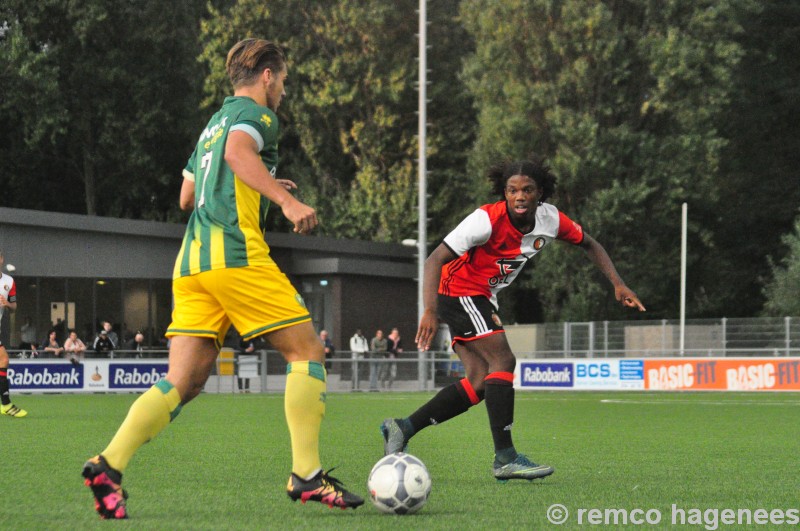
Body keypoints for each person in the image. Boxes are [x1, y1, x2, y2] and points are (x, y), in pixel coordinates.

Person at [81, 38, 363, 520]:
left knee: (184, 380)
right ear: (268, 76)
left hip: (191, 265)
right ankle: (307, 476)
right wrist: (285, 201)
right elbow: (238, 155)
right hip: (234, 257)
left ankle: (108, 465)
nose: (284, 93)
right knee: (307, 351)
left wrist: (261, 181)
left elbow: (188, 197)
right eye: (285, 82)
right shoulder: (259, 117)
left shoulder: (211, 124)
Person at [381, 156, 645, 482]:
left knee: (479, 381)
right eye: (512, 190)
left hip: (482, 295)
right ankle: (505, 458)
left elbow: (590, 244)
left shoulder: (551, 219)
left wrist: (617, 283)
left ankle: (403, 427)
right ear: (504, 193)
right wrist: (430, 310)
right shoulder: (484, 220)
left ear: (541, 193)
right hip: (458, 290)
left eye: (528, 190)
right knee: (503, 360)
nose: (520, 196)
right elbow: (435, 259)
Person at [0, 250, 27, 417]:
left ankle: (6, 404)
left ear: (1, 259)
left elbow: (14, 306)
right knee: (3, 359)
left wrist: (6, 305)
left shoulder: (9, 281)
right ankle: (6, 404)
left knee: (3, 360)